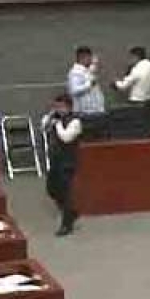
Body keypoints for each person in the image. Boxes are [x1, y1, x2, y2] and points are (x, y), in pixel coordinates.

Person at [41, 93, 84, 236]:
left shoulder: (75, 122)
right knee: (51, 188)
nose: (58, 109)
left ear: (68, 107)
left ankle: (66, 224)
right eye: (56, 107)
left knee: (66, 193)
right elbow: (43, 127)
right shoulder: (54, 118)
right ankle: (71, 212)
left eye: (61, 107)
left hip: (67, 161)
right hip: (55, 159)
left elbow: (66, 138)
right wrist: (50, 116)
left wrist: (57, 124)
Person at [114, 46, 150, 133]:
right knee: (146, 127)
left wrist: (115, 82)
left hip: (136, 102)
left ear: (135, 57)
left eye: (130, 58)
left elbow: (123, 86)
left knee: (135, 128)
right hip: (149, 101)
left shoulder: (137, 69)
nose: (130, 60)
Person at [67, 45, 106, 120]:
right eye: (89, 58)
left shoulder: (87, 71)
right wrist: (89, 84)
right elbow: (74, 90)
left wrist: (95, 64)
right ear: (82, 57)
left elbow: (94, 67)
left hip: (95, 111)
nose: (90, 60)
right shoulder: (75, 72)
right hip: (85, 113)